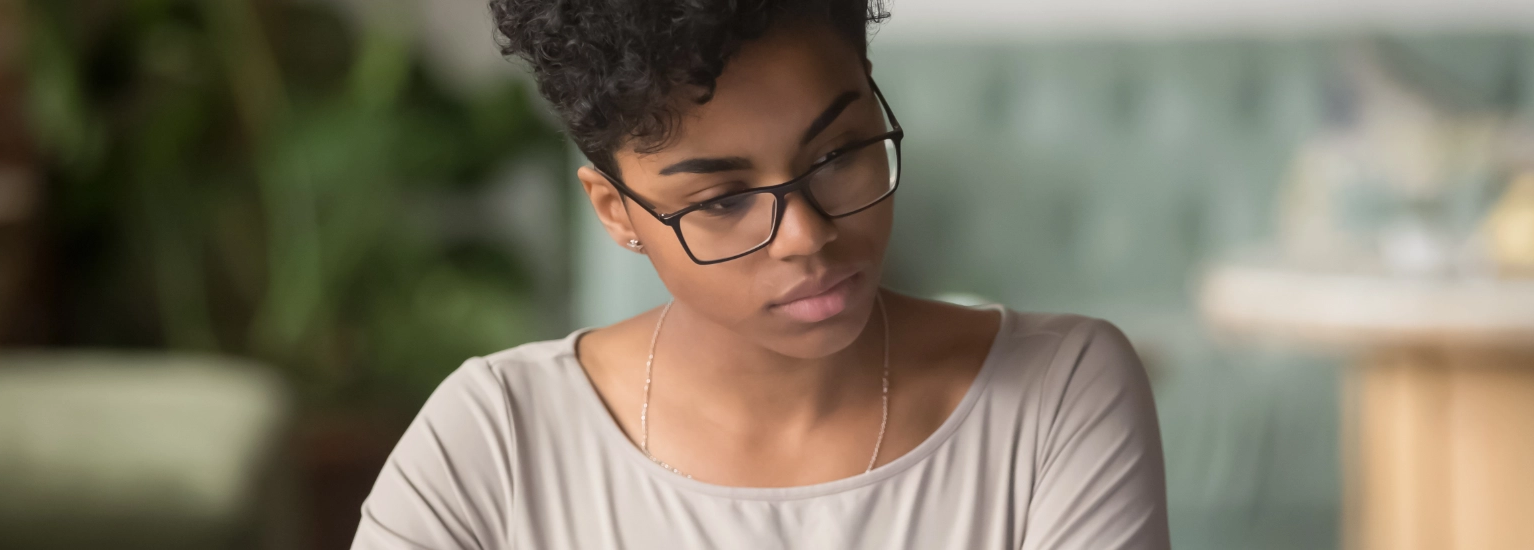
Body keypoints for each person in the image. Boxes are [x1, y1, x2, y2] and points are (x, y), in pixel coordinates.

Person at [352, 0, 1169, 547]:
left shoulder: (1058, 396)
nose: (807, 237)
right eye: (722, 200)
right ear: (617, 212)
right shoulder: (496, 438)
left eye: (840, 154)